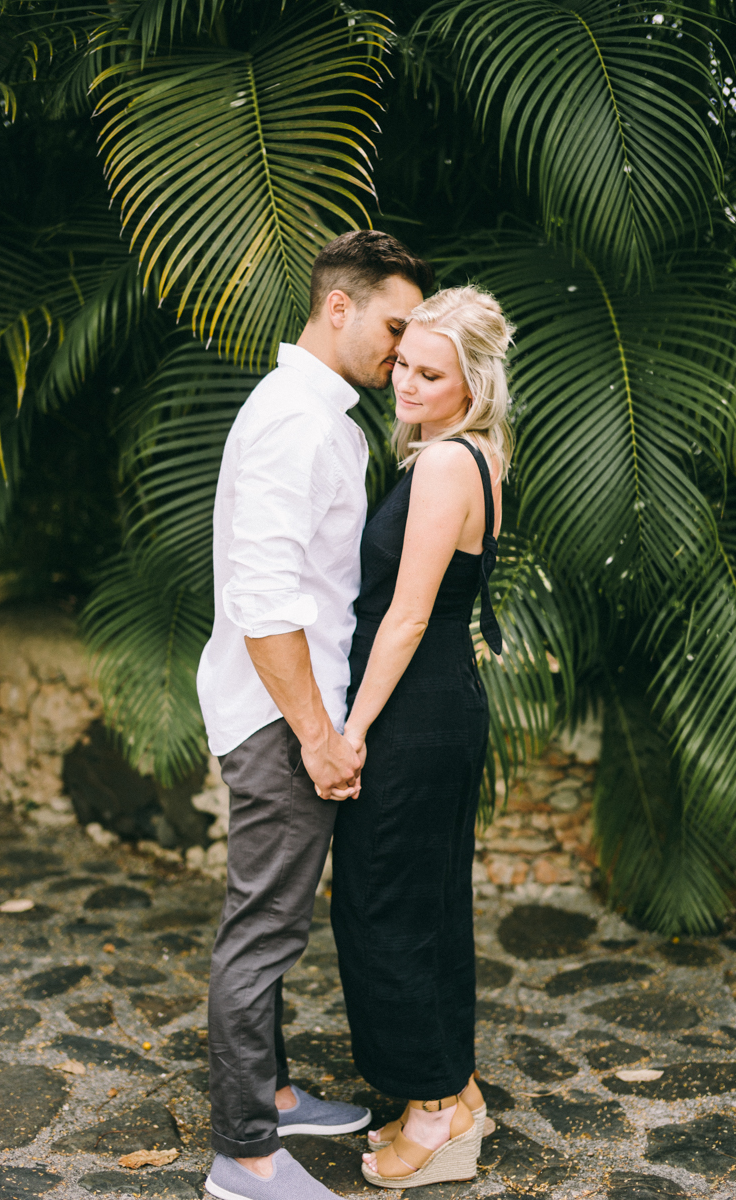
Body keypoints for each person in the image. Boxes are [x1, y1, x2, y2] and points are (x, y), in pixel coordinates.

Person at [198, 230, 434, 1200]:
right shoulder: (296, 421)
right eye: (392, 324)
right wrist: (315, 736)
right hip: (278, 718)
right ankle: (245, 1153)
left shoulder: (318, 413)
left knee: (277, 923)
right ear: (337, 307)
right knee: (261, 933)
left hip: (293, 710)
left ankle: (276, 1092)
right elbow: (264, 603)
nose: (401, 347)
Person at [330, 285, 514, 1190]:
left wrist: (352, 731)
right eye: (402, 360)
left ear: (473, 383)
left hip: (411, 711)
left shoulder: (446, 467)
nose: (403, 380)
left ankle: (436, 1115)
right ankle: (459, 1090)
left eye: (430, 372)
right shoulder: (470, 457)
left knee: (388, 910)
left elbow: (403, 619)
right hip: (437, 707)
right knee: (428, 906)